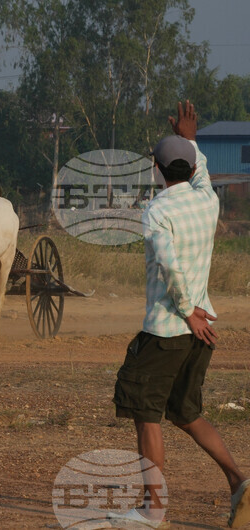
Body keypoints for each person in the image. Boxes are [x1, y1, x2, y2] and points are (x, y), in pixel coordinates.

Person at [111, 101, 249, 528]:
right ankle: (240, 483)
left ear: (156, 169)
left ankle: (153, 511)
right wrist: (192, 139)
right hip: (201, 326)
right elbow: (199, 168)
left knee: (145, 413)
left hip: (171, 328)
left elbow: (169, 266)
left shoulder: (157, 211)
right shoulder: (207, 199)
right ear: (190, 169)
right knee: (186, 411)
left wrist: (187, 312)